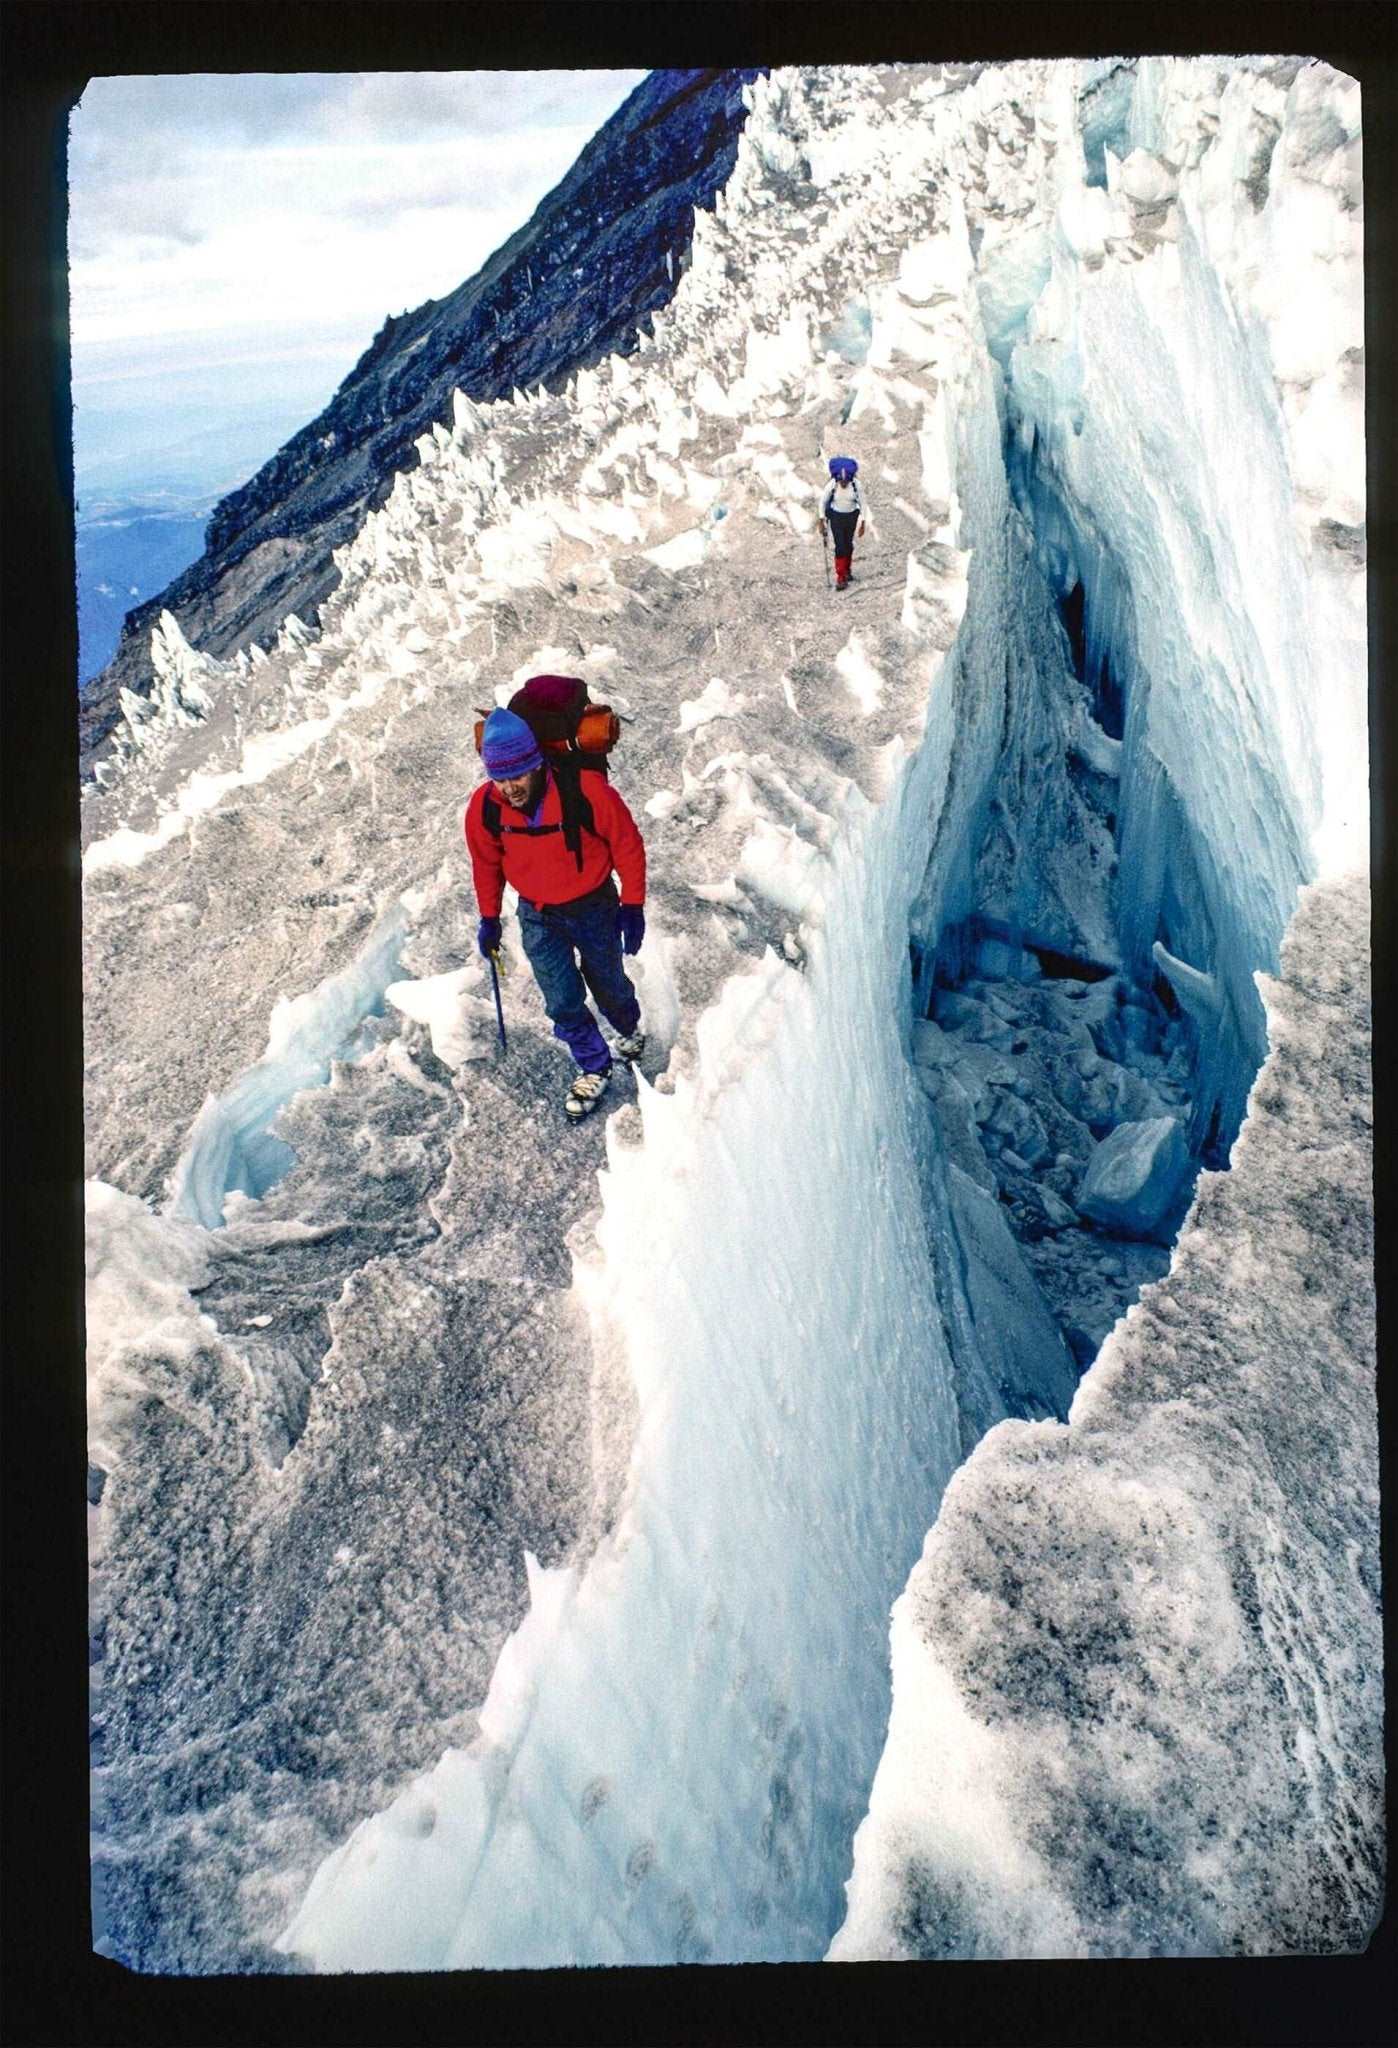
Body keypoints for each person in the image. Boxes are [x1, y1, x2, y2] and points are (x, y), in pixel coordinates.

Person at [465, 706, 647, 1120]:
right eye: (500, 778)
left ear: (536, 765)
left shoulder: (585, 791)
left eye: (517, 776)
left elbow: (626, 844)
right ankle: (594, 1065)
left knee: (610, 984)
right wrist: (489, 918)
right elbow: (486, 865)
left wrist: (633, 905)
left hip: (594, 906)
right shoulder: (484, 809)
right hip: (539, 915)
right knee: (561, 998)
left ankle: (628, 1028)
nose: (509, 788)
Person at [818, 456, 868, 590]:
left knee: (848, 544)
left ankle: (847, 570)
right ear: (838, 479)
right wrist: (821, 519)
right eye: (841, 481)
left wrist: (863, 522)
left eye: (845, 481)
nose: (843, 483)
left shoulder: (856, 485)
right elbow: (822, 502)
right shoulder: (832, 484)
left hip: (851, 516)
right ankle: (841, 577)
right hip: (836, 517)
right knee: (840, 546)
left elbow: (863, 503)